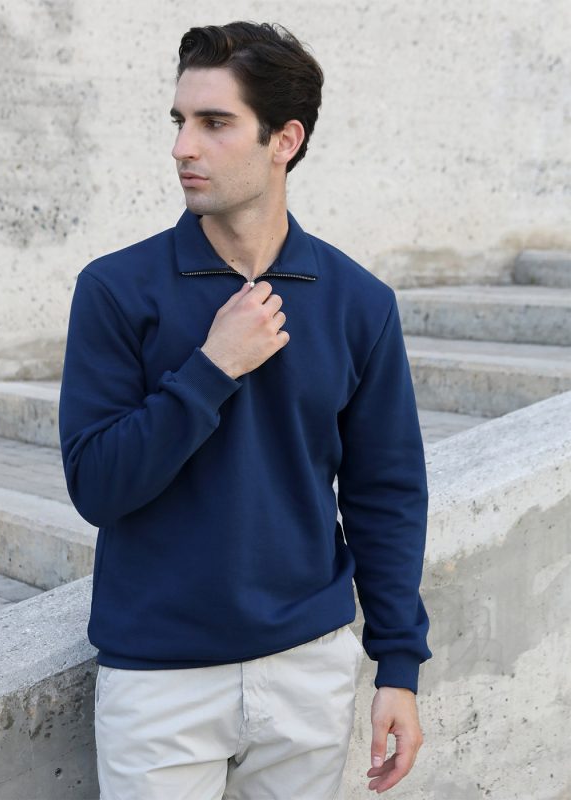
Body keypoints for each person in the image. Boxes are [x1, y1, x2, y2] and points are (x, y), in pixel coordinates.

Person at [58, 20, 432, 800]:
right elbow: (97, 486)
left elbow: (386, 492)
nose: (182, 147)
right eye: (179, 121)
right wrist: (211, 368)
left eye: (214, 123)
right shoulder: (116, 290)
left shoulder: (359, 302)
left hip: (307, 667)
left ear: (284, 140)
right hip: (158, 680)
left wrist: (398, 664)